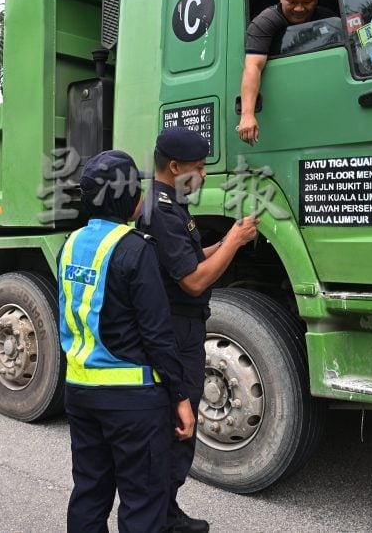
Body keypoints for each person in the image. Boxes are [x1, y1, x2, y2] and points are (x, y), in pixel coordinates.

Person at [59, 150, 196, 533]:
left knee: (89, 491)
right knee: (142, 501)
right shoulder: (137, 249)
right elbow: (158, 336)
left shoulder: (69, 245)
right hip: (132, 401)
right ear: (126, 197)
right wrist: (180, 398)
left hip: (81, 392)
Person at [137, 127, 260, 533]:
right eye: (199, 167)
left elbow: (188, 259)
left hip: (184, 328)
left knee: (178, 431)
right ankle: (159, 517)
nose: (204, 174)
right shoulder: (161, 211)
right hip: (176, 331)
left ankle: (166, 511)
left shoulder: (171, 205)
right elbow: (191, 280)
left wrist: (229, 243)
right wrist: (234, 241)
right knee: (176, 426)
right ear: (175, 167)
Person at [238, 0, 337, 146]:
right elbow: (253, 66)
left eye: (307, 2)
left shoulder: (330, 20)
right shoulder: (263, 23)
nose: (299, 9)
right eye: (292, 1)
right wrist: (247, 115)